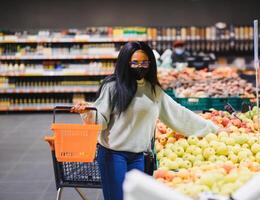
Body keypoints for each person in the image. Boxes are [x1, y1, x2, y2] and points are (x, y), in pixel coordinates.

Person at [71, 41, 219, 200]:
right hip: (113, 155)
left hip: (138, 156)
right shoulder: (113, 87)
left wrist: (213, 128)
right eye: (135, 62)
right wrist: (87, 112)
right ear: (126, 63)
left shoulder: (153, 90)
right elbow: (101, 120)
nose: (140, 66)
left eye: (144, 62)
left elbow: (178, 114)